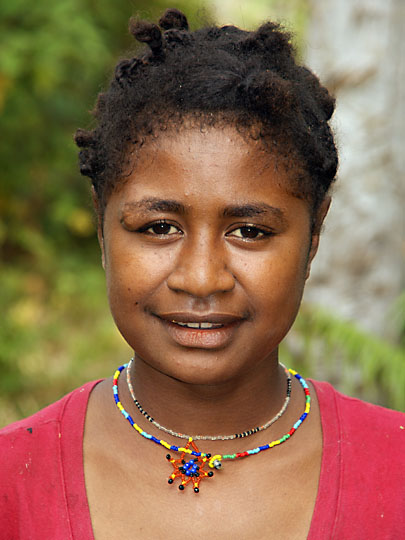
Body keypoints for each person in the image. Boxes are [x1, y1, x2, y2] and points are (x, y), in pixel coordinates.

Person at [1, 8, 403, 540]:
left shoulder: (393, 473)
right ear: (102, 226)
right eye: (159, 227)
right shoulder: (14, 484)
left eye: (251, 232)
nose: (200, 278)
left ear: (314, 236)